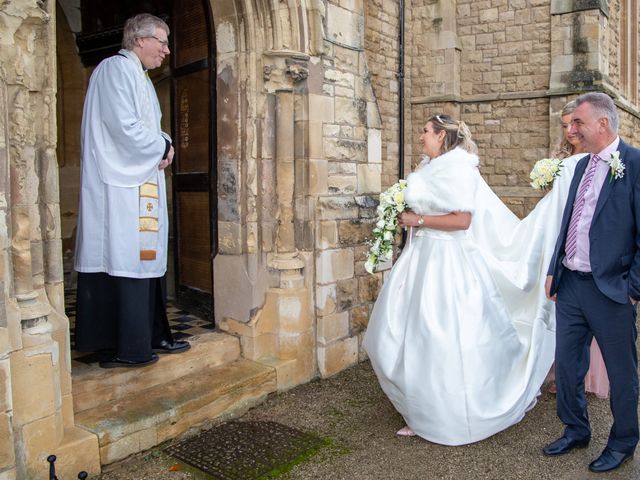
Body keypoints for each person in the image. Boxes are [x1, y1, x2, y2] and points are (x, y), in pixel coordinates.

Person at [364, 115, 564, 445]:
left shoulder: (458, 168)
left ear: (442, 135)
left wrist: (418, 218)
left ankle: (447, 414)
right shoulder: (430, 165)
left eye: (425, 131)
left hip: (446, 264)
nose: (420, 136)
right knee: (406, 336)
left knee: (439, 338)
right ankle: (421, 409)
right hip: (421, 260)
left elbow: (462, 220)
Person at [74, 13, 190, 369]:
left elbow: (143, 130)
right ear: (139, 39)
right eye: (162, 41)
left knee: (143, 258)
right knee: (123, 258)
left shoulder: (137, 75)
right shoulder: (115, 69)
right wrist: (162, 146)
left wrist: (163, 143)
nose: (167, 51)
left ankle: (152, 335)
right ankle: (123, 345)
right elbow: (123, 127)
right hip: (118, 191)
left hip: (138, 185)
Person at [544, 92, 639, 473]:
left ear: (603, 123)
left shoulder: (634, 164)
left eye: (577, 123)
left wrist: (633, 289)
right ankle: (575, 428)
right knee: (567, 366)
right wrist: (555, 268)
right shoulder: (580, 165)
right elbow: (570, 222)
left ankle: (624, 441)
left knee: (621, 371)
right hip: (571, 286)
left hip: (612, 291)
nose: (571, 130)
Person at [547, 101, 610, 399]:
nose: (569, 131)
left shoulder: (600, 159)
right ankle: (562, 373)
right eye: (564, 125)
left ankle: (586, 376)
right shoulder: (559, 158)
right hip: (558, 239)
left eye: (574, 123)